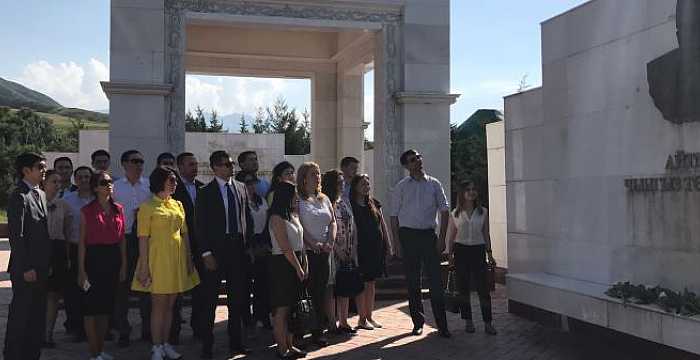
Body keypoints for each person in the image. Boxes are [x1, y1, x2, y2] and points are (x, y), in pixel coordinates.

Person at [132, 167, 200, 360]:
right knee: (158, 305)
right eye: (171, 179)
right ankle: (156, 347)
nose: (175, 183)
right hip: (157, 260)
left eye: (175, 180)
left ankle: (166, 343)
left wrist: (188, 259)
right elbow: (143, 238)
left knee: (171, 305)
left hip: (176, 259)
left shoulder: (178, 204)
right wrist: (145, 267)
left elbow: (184, 234)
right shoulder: (147, 207)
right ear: (160, 181)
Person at [196, 150, 253, 359]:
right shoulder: (205, 192)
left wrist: (249, 246)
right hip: (215, 251)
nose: (231, 167)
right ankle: (207, 346)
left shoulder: (240, 188)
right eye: (226, 164)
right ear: (215, 168)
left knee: (237, 300)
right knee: (209, 301)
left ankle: (236, 342)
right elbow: (199, 226)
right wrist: (206, 253)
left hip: (237, 248)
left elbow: (246, 218)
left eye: (231, 164)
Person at [389, 149, 451, 338]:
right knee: (412, 282)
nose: (417, 161)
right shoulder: (401, 186)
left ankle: (442, 325)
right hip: (408, 237)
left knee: (435, 282)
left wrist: (441, 239)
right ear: (406, 166)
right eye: (412, 160)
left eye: (418, 157)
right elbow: (393, 217)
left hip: (428, 236)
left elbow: (445, 211)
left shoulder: (434, 184)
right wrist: (397, 244)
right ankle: (418, 323)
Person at [4, 152, 51, 360]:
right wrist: (26, 268)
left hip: (41, 267)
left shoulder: (39, 193)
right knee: (20, 318)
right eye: (39, 167)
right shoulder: (18, 196)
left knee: (36, 318)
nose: (43, 170)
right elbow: (17, 236)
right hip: (26, 269)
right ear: (26, 170)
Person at [78, 171, 127, 360]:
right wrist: (81, 271)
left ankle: (100, 349)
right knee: (91, 308)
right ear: (95, 187)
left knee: (106, 308)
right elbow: (82, 242)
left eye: (110, 181)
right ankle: (94, 352)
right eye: (103, 182)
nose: (108, 184)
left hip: (112, 259)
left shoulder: (119, 209)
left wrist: (123, 265)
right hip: (93, 259)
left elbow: (122, 239)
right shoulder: (87, 211)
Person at [447, 180, 497, 335]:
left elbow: (485, 233)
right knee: (463, 288)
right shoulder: (455, 213)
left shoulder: (483, 212)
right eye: (468, 189)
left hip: (478, 250)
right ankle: (468, 321)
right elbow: (451, 236)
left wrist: (490, 253)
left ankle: (488, 323)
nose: (471, 191)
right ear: (462, 193)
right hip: (461, 251)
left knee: (483, 288)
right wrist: (449, 255)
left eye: (474, 189)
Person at [112, 149, 152, 346]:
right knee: (123, 287)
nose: (139, 165)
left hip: (146, 240)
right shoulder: (116, 188)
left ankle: (147, 329)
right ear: (124, 164)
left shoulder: (150, 186)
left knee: (147, 284)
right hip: (124, 240)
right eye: (135, 161)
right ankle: (123, 330)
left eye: (141, 161)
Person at [297, 162, 336, 347]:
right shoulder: (298, 199)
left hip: (325, 252)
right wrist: (313, 243)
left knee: (321, 292)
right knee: (307, 292)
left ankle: (318, 330)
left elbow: (333, 222)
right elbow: (297, 225)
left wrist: (330, 242)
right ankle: (300, 328)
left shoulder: (324, 198)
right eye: (313, 174)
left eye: (319, 173)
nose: (318, 177)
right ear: (304, 177)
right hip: (308, 253)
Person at [267, 181, 307, 359]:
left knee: (292, 307)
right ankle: (282, 347)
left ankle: (291, 345)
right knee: (281, 308)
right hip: (282, 265)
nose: (297, 197)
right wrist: (298, 267)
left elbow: (301, 242)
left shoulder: (293, 214)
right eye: (294, 194)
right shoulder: (276, 217)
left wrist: (305, 263)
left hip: (297, 260)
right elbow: (285, 247)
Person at [350, 174, 392, 330]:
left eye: (368, 183)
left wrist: (389, 245)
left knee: (371, 282)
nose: (366, 186)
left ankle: (369, 316)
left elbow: (382, 225)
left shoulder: (373, 203)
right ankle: (361, 318)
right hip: (361, 249)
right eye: (363, 183)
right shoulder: (351, 205)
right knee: (362, 283)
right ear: (355, 187)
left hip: (376, 249)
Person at [322, 170, 359, 335]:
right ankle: (331, 322)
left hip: (348, 250)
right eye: (339, 182)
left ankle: (343, 321)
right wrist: (337, 249)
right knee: (331, 288)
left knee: (345, 287)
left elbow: (353, 225)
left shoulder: (344, 201)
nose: (342, 184)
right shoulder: (325, 201)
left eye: (343, 181)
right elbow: (327, 228)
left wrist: (353, 249)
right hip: (332, 252)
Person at [172, 152, 204, 341]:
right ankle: (173, 331)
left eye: (196, 164)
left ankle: (199, 327)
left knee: (201, 290)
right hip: (178, 246)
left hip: (201, 247)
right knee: (176, 293)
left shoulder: (202, 187)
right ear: (180, 167)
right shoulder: (173, 189)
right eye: (191, 164)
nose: (195, 167)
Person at [63, 166, 95, 341]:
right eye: (80, 177)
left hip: (94, 250)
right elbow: (64, 228)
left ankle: (94, 328)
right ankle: (77, 328)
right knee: (75, 291)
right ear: (75, 180)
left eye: (87, 177)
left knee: (92, 289)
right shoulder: (67, 200)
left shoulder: (99, 199)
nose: (84, 180)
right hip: (74, 248)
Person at [42, 169, 74, 347]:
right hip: (40, 249)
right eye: (53, 181)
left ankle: (48, 334)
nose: (57, 185)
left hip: (58, 249)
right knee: (38, 294)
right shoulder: (33, 202)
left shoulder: (64, 206)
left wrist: (67, 256)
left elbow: (67, 233)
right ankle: (36, 332)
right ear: (44, 183)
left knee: (54, 295)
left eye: (59, 182)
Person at [239, 172, 272, 332]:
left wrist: (265, 242)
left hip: (262, 244)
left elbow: (267, 221)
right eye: (247, 183)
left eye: (252, 183)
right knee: (245, 286)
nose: (251, 186)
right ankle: (247, 318)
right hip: (247, 247)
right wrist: (250, 247)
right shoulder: (239, 202)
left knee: (263, 285)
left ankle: (262, 316)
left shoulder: (262, 200)